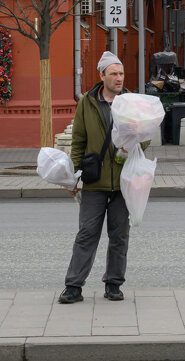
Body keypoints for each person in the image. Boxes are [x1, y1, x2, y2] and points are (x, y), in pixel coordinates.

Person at [59, 51, 132, 304]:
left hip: (124, 182)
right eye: (114, 73)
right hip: (94, 181)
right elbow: (78, 142)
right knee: (87, 234)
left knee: (119, 235)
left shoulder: (132, 103)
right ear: (102, 76)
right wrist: (74, 177)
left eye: (121, 73)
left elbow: (144, 140)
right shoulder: (86, 103)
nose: (119, 78)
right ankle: (73, 286)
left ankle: (113, 284)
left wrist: (134, 144)